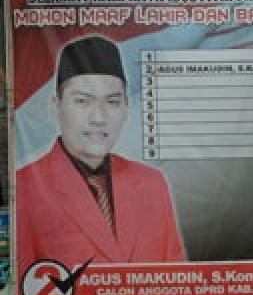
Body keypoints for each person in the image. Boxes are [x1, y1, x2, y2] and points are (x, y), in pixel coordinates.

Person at [16, 34, 186, 269]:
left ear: (126, 107)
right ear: (56, 106)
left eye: (112, 102)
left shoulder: (152, 183)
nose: (99, 118)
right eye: (83, 101)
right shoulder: (26, 187)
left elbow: (176, 283)